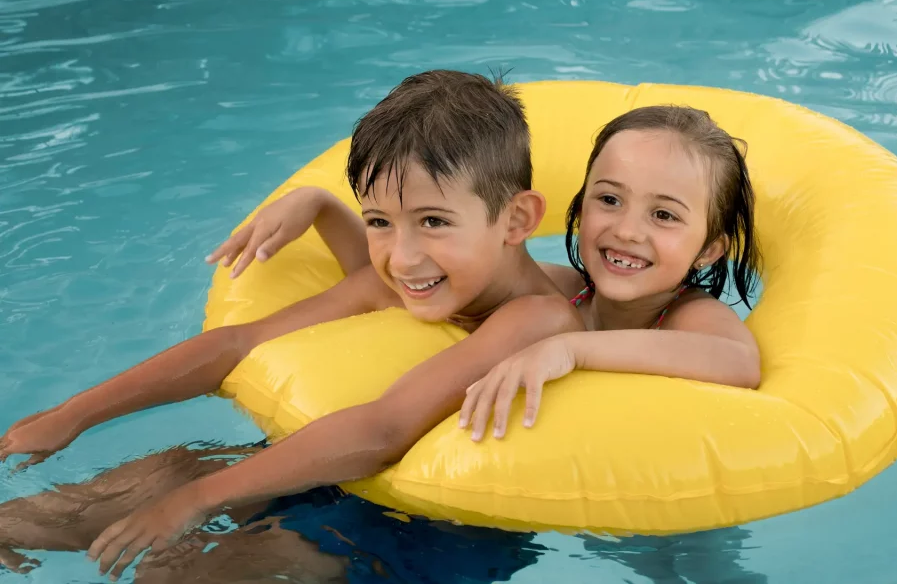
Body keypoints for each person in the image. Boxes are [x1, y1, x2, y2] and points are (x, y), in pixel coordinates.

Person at [0, 70, 581, 580]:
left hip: (434, 526)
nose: (401, 257)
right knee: (163, 474)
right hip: (331, 471)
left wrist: (199, 502)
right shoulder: (405, 280)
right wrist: (73, 414)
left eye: (433, 220)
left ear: (517, 220)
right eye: (379, 220)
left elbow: (382, 431)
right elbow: (238, 343)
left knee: (187, 567)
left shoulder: (541, 315)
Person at [209, 103, 762, 441]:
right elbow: (414, 280)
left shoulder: (692, 316)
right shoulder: (562, 291)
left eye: (663, 215)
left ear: (711, 249)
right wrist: (324, 209)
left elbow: (736, 362)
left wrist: (571, 352)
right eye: (609, 200)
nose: (627, 231)